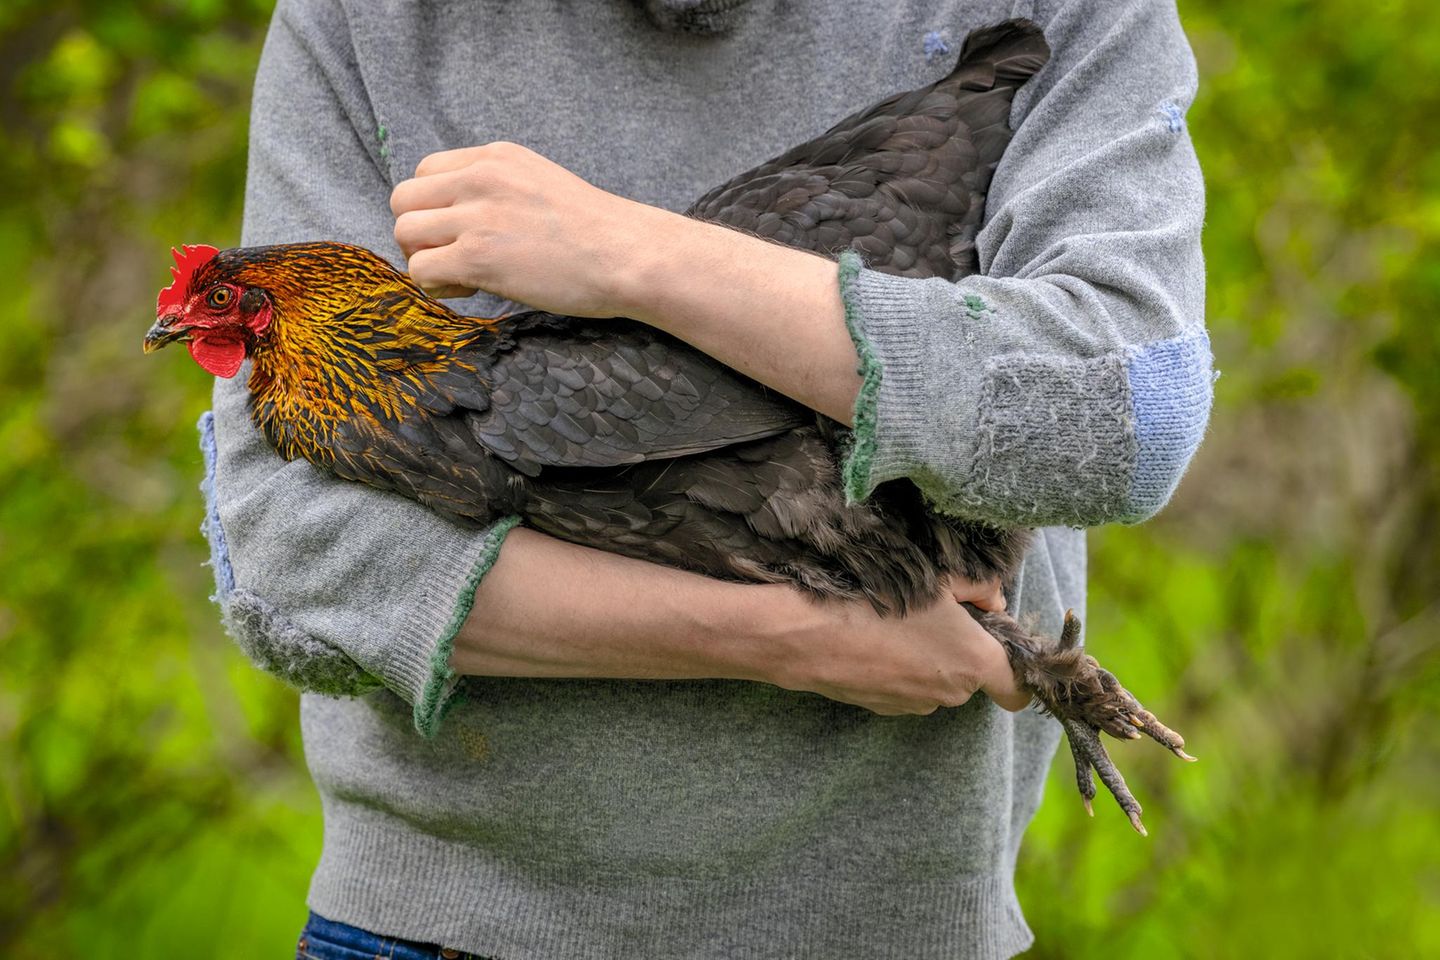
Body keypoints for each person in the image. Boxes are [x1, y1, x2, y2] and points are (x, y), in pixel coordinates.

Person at [204, 0, 1211, 956]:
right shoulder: (367, 22)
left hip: (882, 928)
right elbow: (288, 557)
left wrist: (637, 257)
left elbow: (1128, 416)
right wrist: (794, 638)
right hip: (443, 932)